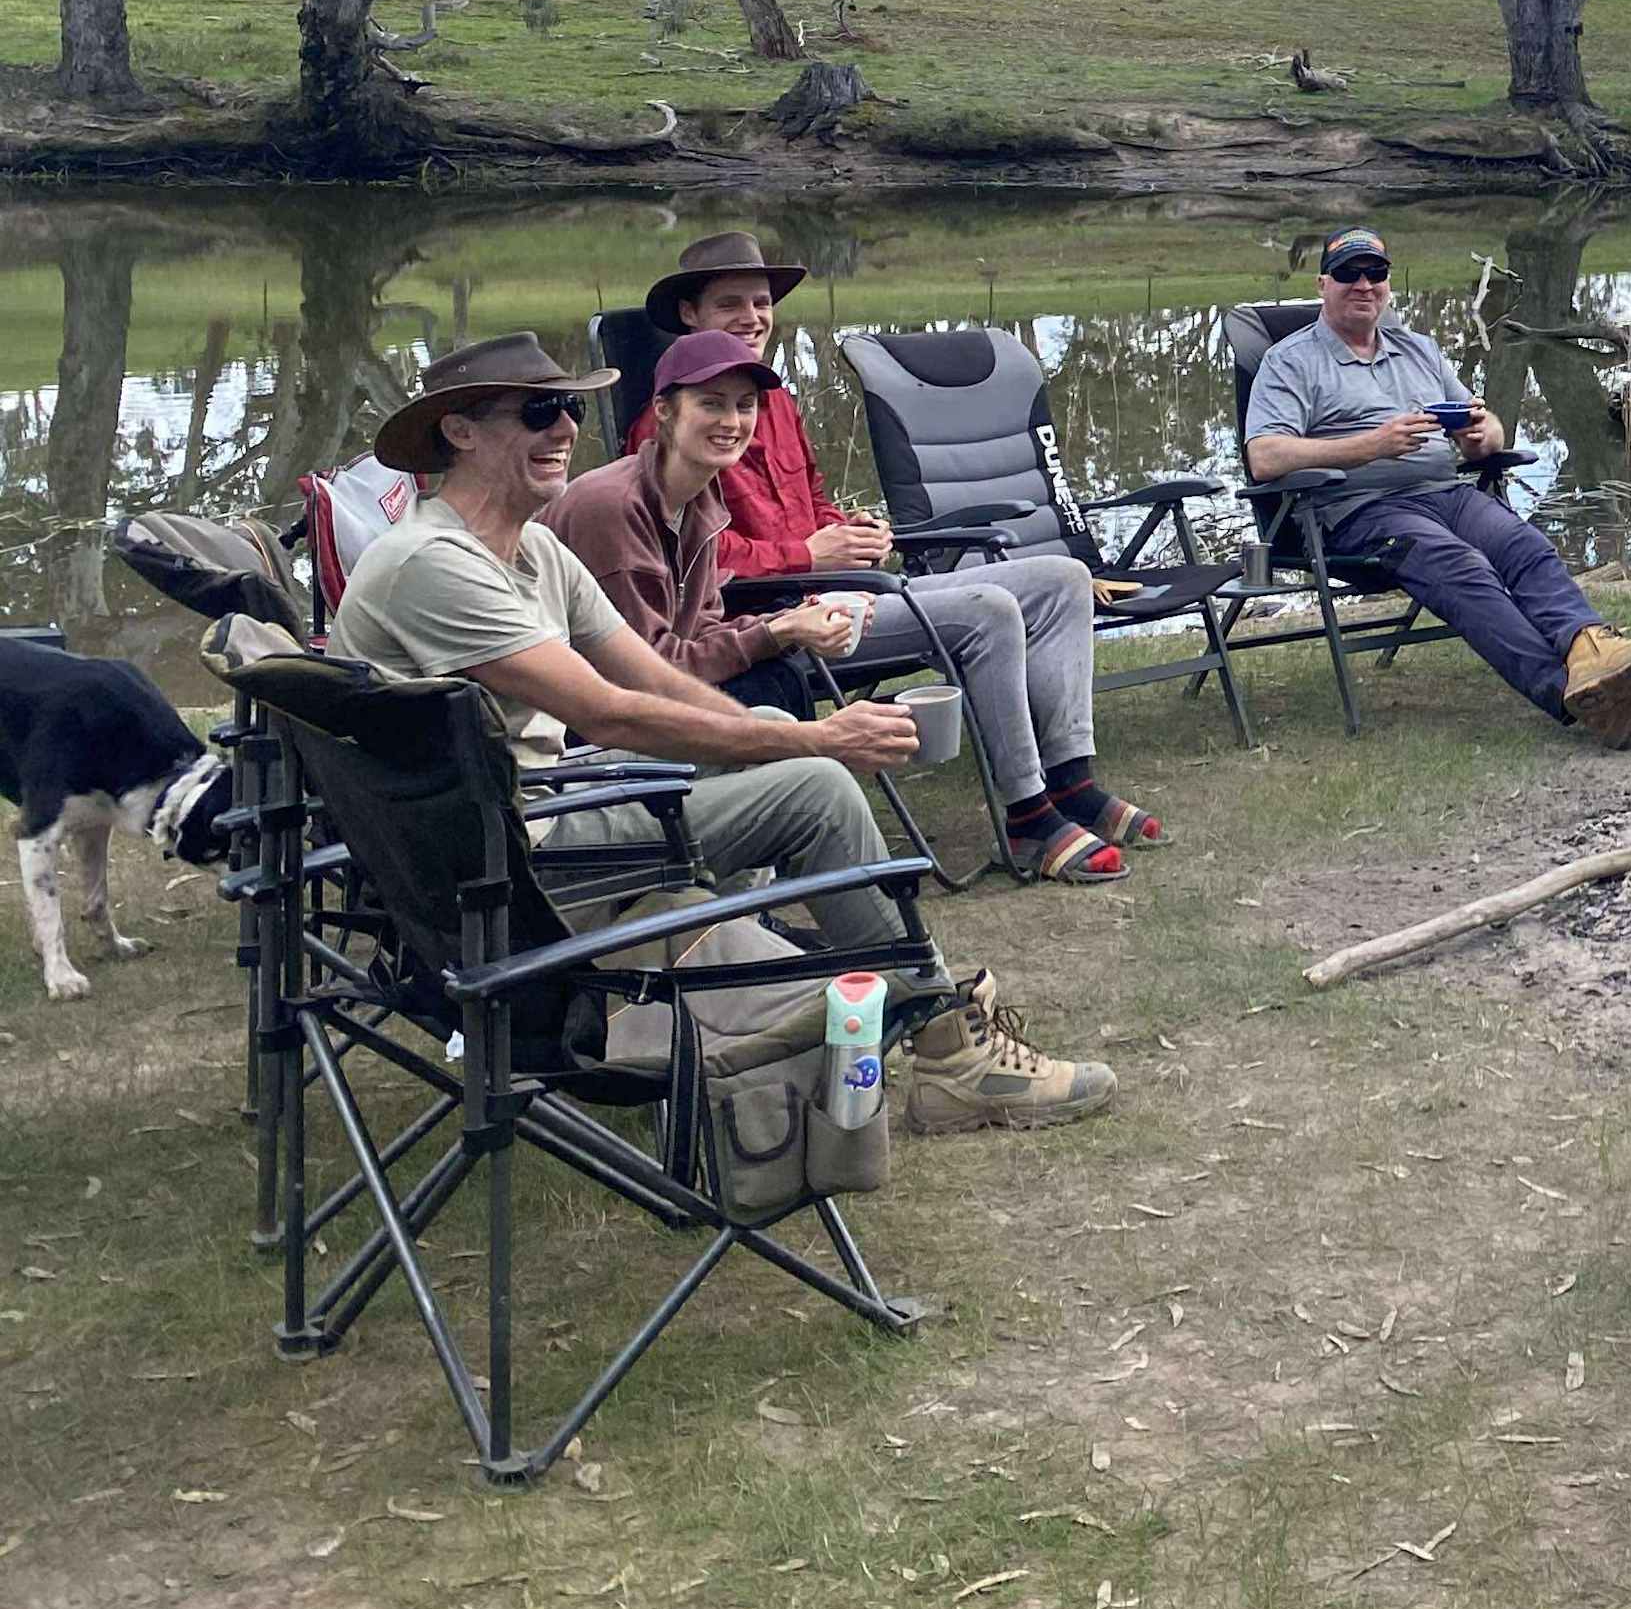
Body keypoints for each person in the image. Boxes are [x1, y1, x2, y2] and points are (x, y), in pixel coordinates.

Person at [333, 332, 1114, 1134]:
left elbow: (653, 677)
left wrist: (765, 733)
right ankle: (949, 1050)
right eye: (538, 412)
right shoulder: (432, 563)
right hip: (499, 869)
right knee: (812, 791)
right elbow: (607, 712)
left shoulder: (531, 548)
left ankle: (752, 978)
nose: (565, 428)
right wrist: (820, 743)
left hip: (530, 816)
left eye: (570, 409)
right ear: (460, 432)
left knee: (768, 722)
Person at [555, 329, 1168, 884]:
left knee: (1064, 577)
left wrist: (848, 540)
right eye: (712, 404)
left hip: (819, 600)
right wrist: (786, 613)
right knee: (991, 609)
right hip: (690, 669)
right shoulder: (619, 506)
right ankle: (1029, 814)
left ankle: (1072, 782)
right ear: (664, 412)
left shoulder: (699, 493)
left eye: (744, 405)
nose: (733, 420)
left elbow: (712, 614)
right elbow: (648, 669)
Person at [1244, 227, 1631, 745]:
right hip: (1360, 511)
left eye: (1375, 273)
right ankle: (1569, 690)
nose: (1363, 284)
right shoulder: (1290, 361)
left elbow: (1487, 424)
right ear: (1323, 284)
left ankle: (1594, 650)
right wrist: (1371, 445)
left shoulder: (1418, 349)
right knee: (1462, 566)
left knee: (1525, 546)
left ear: (1387, 283)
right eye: (1348, 274)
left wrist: (1484, 436)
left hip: (1446, 494)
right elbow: (1265, 457)